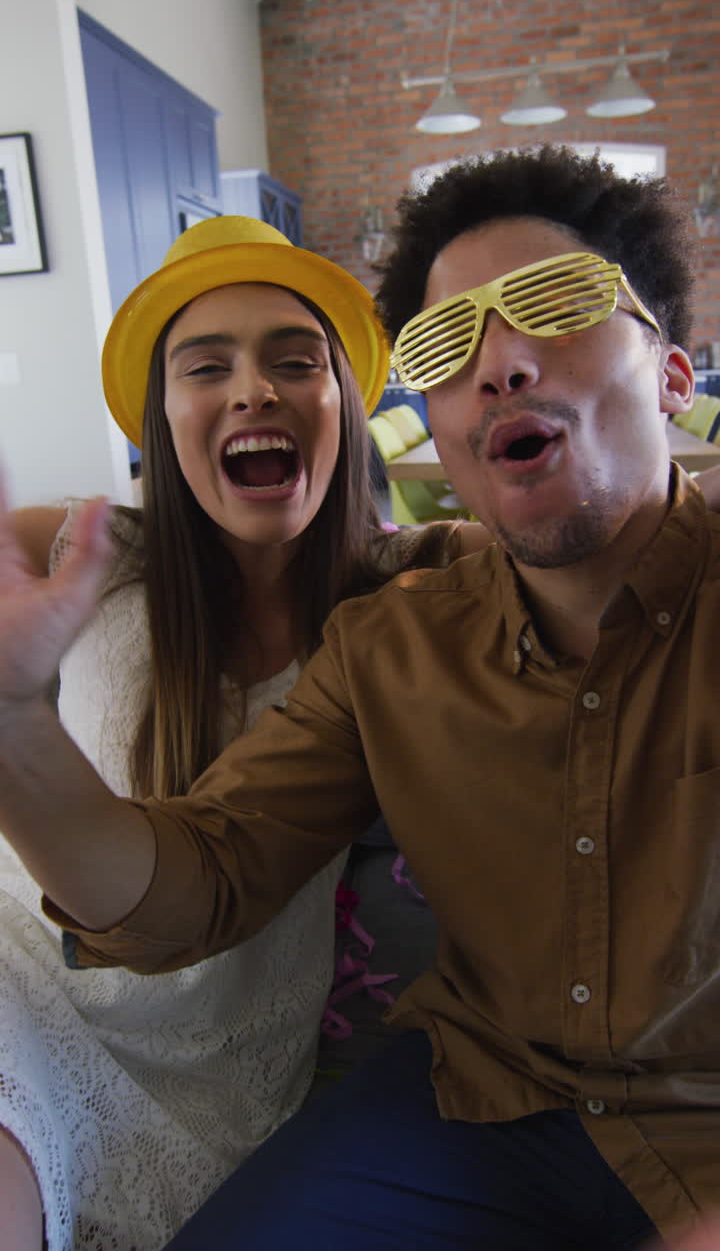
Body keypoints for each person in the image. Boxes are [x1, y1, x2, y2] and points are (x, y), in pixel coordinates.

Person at [0, 145, 719, 1248]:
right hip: (483, 1096)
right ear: (432, 425)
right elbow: (204, 874)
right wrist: (13, 728)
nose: (504, 362)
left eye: (555, 302)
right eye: (450, 344)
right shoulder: (387, 644)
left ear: (675, 373)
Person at [0, 213, 478, 1251]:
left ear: (344, 404)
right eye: (205, 365)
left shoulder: (409, 589)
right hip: (21, 978)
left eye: (294, 360)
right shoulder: (95, 551)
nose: (253, 389)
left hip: (228, 1064)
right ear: (162, 418)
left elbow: (591, 547)